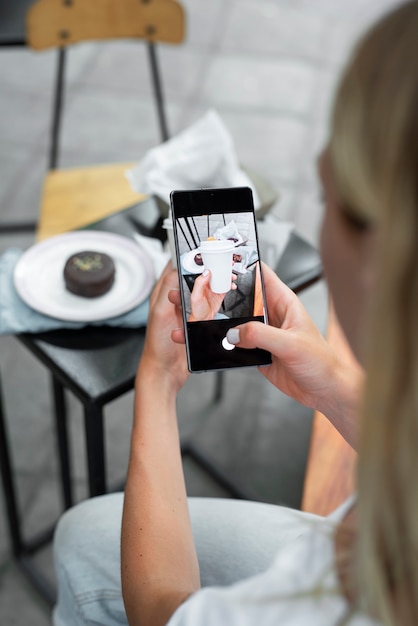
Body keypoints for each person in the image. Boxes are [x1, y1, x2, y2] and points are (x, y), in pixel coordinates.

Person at [52, 2, 418, 625]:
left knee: (85, 543)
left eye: (326, 194)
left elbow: (164, 613)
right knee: (87, 533)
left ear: (381, 259)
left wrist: (156, 386)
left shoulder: (333, 603)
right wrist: (332, 385)